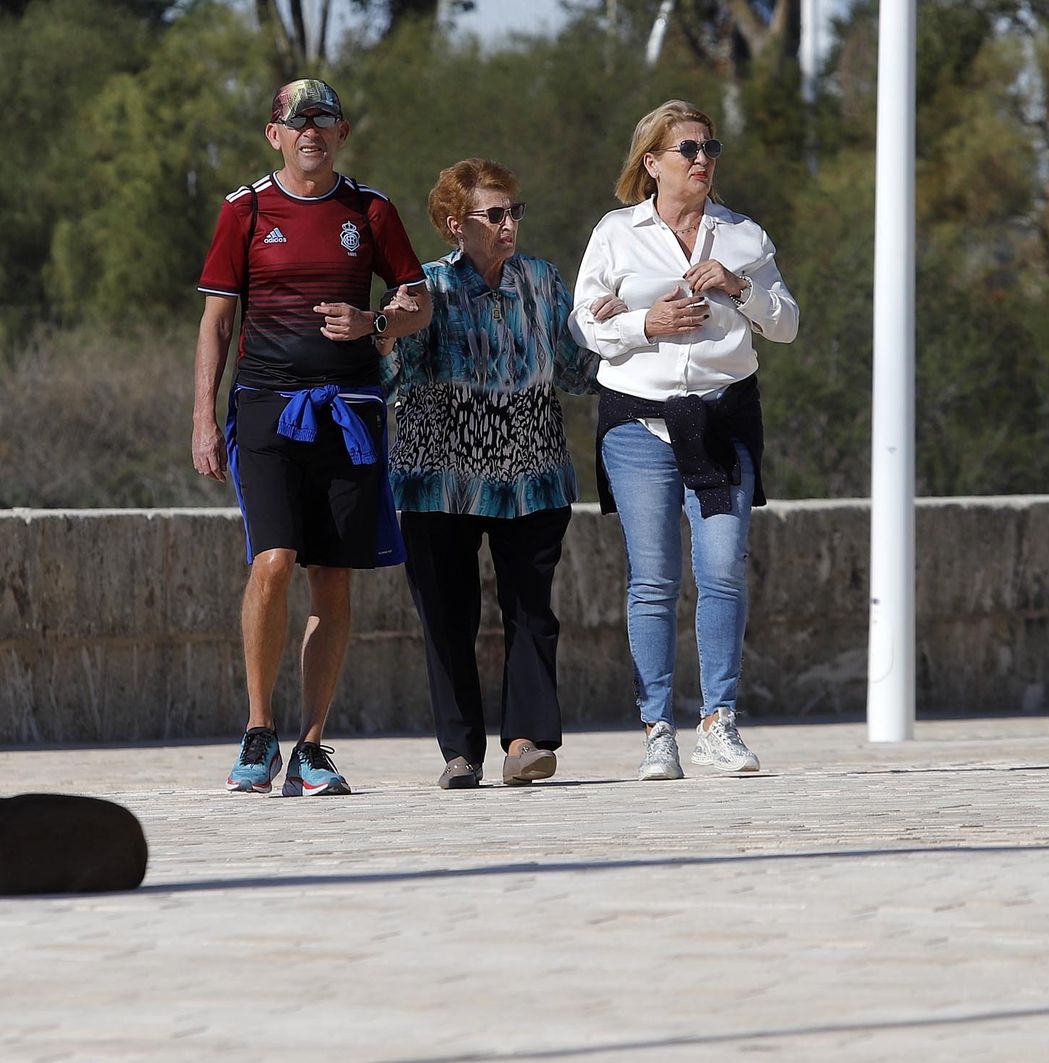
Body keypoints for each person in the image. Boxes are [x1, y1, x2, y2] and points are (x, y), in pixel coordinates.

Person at [192, 79, 432, 797]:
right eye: (296, 122)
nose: (311, 132)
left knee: (331, 574)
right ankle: (258, 729)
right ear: (275, 136)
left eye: (324, 120)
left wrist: (375, 323)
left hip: (349, 413)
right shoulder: (245, 210)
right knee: (273, 561)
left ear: (341, 133)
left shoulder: (371, 210)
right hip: (267, 408)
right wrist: (203, 417)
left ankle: (313, 745)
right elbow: (216, 322)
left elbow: (417, 302)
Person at [569, 99, 799, 782]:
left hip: (722, 421)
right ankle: (657, 730)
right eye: (688, 149)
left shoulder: (743, 235)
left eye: (709, 148)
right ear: (652, 162)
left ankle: (718, 722)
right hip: (638, 426)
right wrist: (646, 323)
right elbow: (582, 324)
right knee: (653, 578)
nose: (702, 160)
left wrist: (739, 287)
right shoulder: (616, 233)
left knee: (723, 566)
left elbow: (786, 323)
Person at [378, 159, 621, 789]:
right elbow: (386, 380)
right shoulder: (425, 288)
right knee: (447, 619)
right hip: (440, 483)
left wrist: (614, 329)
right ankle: (460, 753)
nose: (509, 224)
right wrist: (386, 333)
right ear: (455, 225)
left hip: (533, 478)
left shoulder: (542, 279)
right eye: (495, 214)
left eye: (515, 211)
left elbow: (574, 371)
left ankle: (525, 743)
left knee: (532, 612)